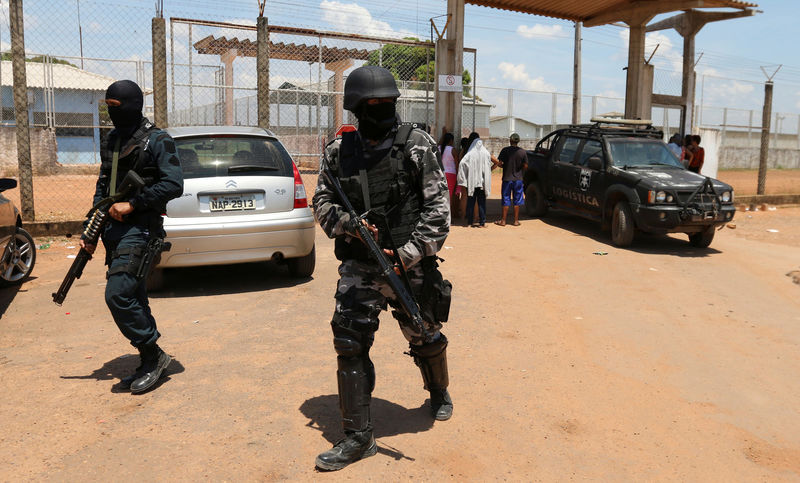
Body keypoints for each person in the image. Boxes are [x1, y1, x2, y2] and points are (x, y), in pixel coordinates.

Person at [311, 65, 453, 471]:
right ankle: (358, 436)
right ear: (357, 108)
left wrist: (405, 253)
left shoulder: (417, 146)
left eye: (389, 104)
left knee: (425, 335)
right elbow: (323, 203)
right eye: (375, 106)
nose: (383, 111)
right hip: (360, 265)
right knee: (349, 342)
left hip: (410, 267)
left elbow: (438, 213)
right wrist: (350, 226)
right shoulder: (339, 152)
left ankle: (438, 390)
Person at [80, 80, 183, 394]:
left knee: (118, 294)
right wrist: (91, 228)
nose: (112, 113)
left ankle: (154, 353)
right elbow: (103, 184)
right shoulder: (112, 139)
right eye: (108, 107)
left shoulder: (157, 140)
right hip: (114, 230)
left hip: (142, 228)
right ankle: (148, 360)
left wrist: (134, 203)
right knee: (134, 295)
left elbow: (174, 184)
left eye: (116, 106)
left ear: (133, 105)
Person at [456, 132, 499, 227]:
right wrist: (489, 170)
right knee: (481, 203)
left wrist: (464, 175)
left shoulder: (469, 153)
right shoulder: (486, 153)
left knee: (471, 202)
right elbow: (496, 162)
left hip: (471, 182)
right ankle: (482, 222)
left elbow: (462, 163)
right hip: (482, 183)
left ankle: (470, 222)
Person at [494, 132, 527, 226]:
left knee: (506, 199)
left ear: (510, 141)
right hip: (518, 180)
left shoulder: (505, 150)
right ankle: (516, 221)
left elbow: (500, 163)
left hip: (507, 179)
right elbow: (526, 166)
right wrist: (520, 170)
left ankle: (503, 220)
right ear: (518, 141)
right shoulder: (522, 152)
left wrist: (503, 166)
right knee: (517, 200)